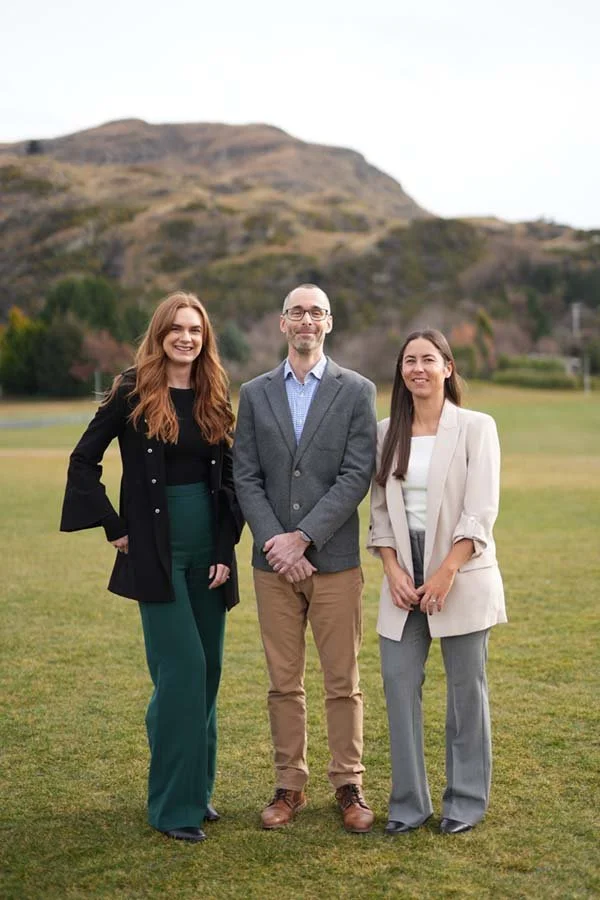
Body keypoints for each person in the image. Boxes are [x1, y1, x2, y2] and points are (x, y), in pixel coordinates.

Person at [60, 291, 243, 844]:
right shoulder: (131, 389)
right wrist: (115, 526)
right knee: (181, 674)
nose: (186, 337)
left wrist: (224, 549)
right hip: (156, 554)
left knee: (207, 674)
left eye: (195, 329)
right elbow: (82, 460)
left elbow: (229, 477)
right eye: (176, 329)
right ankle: (172, 807)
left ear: (204, 336)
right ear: (160, 333)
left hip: (209, 554)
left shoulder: (214, 391)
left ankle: (197, 790)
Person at [233, 283, 377, 833]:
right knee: (283, 681)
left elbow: (355, 474)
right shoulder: (255, 392)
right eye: (297, 312)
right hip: (273, 566)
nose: (306, 321)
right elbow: (245, 475)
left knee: (343, 680)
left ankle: (349, 785)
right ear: (282, 322)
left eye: (316, 312)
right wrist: (278, 541)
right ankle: (289, 786)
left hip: (334, 561)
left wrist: (305, 538)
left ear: (329, 322)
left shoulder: (356, 390)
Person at [368, 329, 506, 835]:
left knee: (465, 691)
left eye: (429, 359)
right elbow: (379, 512)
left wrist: (446, 572)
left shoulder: (476, 427)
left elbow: (481, 510)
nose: (418, 369)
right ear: (401, 371)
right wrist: (393, 570)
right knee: (399, 684)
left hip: (461, 572)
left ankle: (464, 802)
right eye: (409, 360)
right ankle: (408, 804)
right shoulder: (387, 432)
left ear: (448, 367)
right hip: (403, 575)